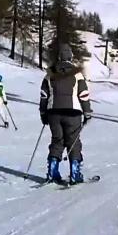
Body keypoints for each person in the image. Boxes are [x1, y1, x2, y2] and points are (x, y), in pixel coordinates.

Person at [40, 44, 92, 185]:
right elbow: (84, 95)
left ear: (59, 57)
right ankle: (75, 172)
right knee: (73, 141)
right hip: (73, 113)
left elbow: (44, 95)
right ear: (70, 57)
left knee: (57, 141)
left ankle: (52, 170)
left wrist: (43, 113)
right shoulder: (77, 74)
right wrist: (87, 112)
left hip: (54, 113)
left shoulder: (50, 74)